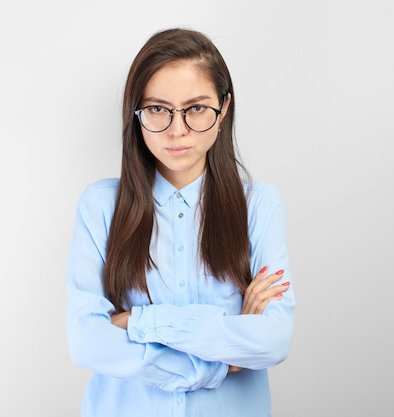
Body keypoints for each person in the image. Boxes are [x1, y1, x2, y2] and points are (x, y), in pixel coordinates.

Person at [66, 28, 295, 417]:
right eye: (158, 109)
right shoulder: (100, 206)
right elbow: (87, 342)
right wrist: (223, 353)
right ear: (135, 114)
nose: (177, 129)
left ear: (223, 110)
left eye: (196, 108)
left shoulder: (259, 206)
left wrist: (140, 321)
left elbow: (273, 342)